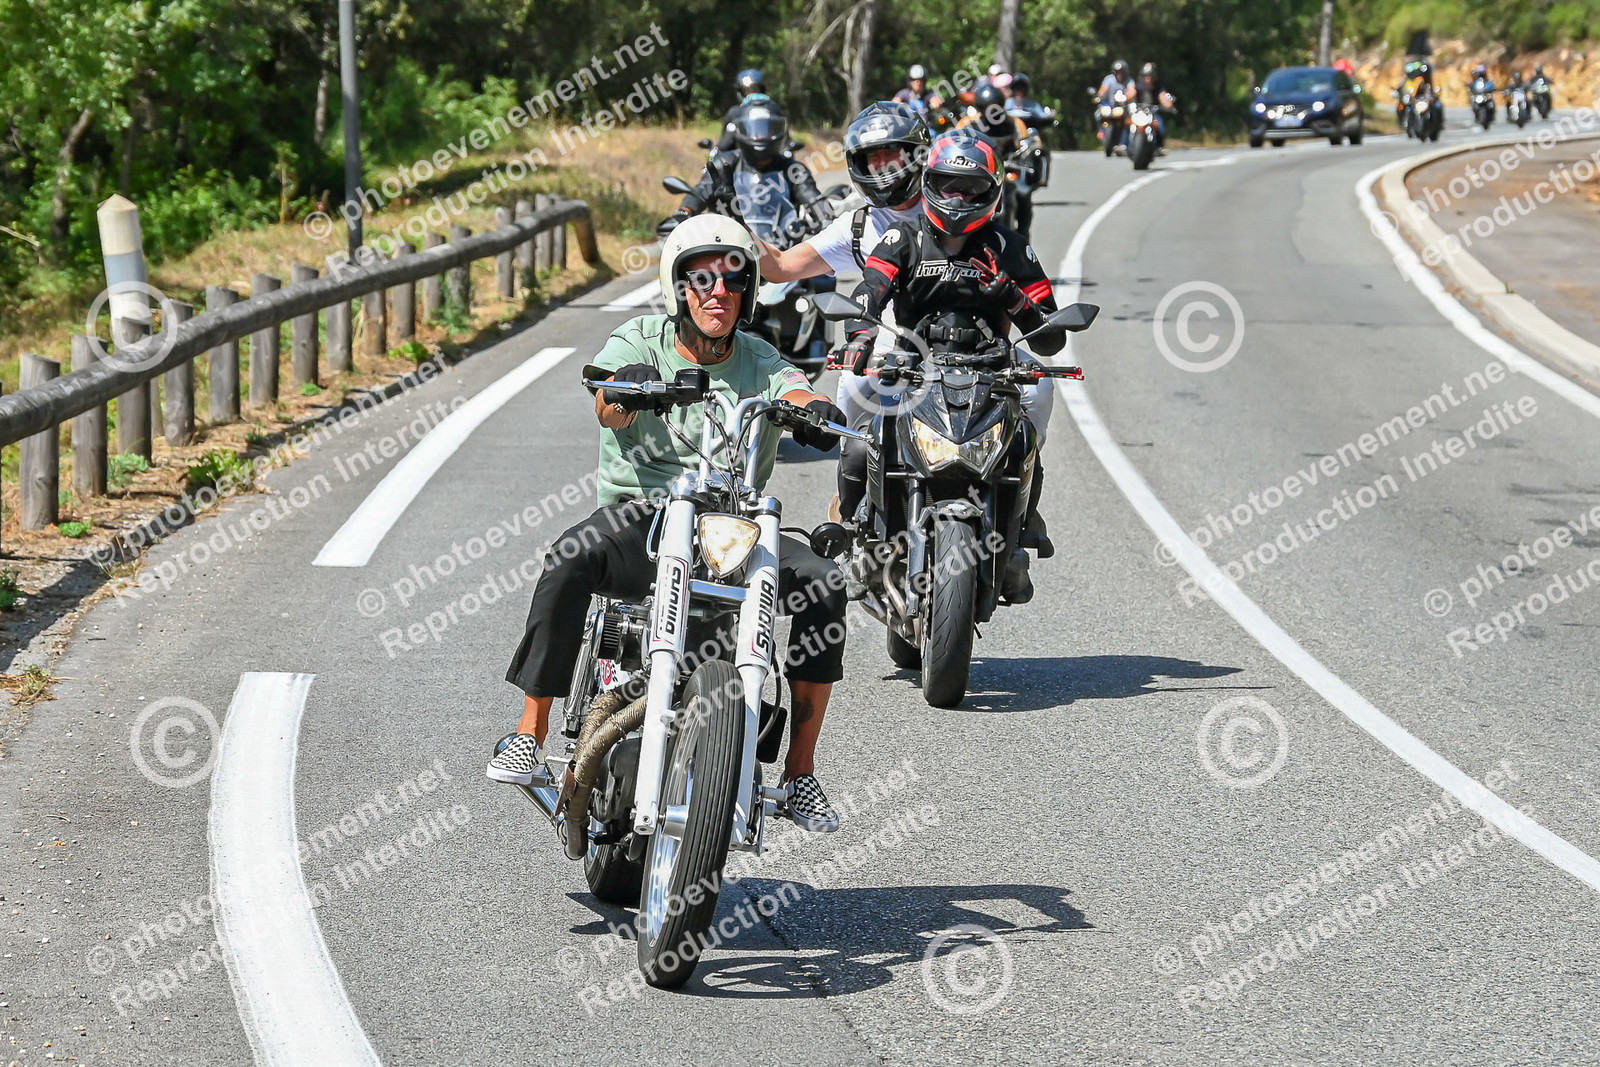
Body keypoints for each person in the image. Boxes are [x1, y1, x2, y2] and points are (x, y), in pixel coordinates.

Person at [492, 214, 852, 833]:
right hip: (644, 518)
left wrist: (813, 408)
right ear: (678, 288)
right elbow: (606, 402)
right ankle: (530, 732)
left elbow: (792, 388)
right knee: (570, 556)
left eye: (734, 281)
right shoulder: (639, 340)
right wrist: (624, 389)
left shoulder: (761, 359)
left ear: (749, 291)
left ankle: (799, 773)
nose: (719, 293)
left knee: (826, 582)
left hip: (731, 527)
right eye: (702, 280)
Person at [835, 127, 1064, 602]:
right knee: (860, 435)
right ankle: (854, 535)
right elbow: (868, 292)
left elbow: (1051, 334)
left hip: (992, 363)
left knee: (1035, 406)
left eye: (971, 189)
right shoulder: (903, 236)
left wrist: (1011, 296)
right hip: (911, 359)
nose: (958, 198)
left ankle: (1021, 521)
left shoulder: (1010, 246)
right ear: (929, 183)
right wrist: (859, 338)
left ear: (992, 191)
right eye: (948, 186)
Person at [663, 95, 826, 249]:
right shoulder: (725, 162)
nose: (760, 137)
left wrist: (825, 216)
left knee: (817, 269)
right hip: (731, 246)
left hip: (783, 248)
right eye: (754, 130)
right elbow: (703, 189)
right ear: (740, 130)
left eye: (766, 130)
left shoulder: (792, 169)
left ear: (780, 130)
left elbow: (810, 194)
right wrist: (685, 211)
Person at [716, 69, 769, 151]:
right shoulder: (734, 112)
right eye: (747, 90)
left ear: (761, 90)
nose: (751, 94)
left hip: (768, 153)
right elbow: (724, 144)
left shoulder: (772, 110)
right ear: (741, 93)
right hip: (742, 153)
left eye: (755, 90)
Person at [1130, 62, 1177, 151]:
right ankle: (1124, 144)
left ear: (1154, 76)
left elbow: (1163, 97)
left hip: (1153, 114)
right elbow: (1131, 93)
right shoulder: (1139, 86)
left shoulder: (1158, 87)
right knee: (1127, 123)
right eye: (1146, 76)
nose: (1148, 78)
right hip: (1139, 113)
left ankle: (1159, 147)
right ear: (1142, 76)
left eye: (1150, 76)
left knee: (1159, 125)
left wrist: (1168, 105)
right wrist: (1124, 98)